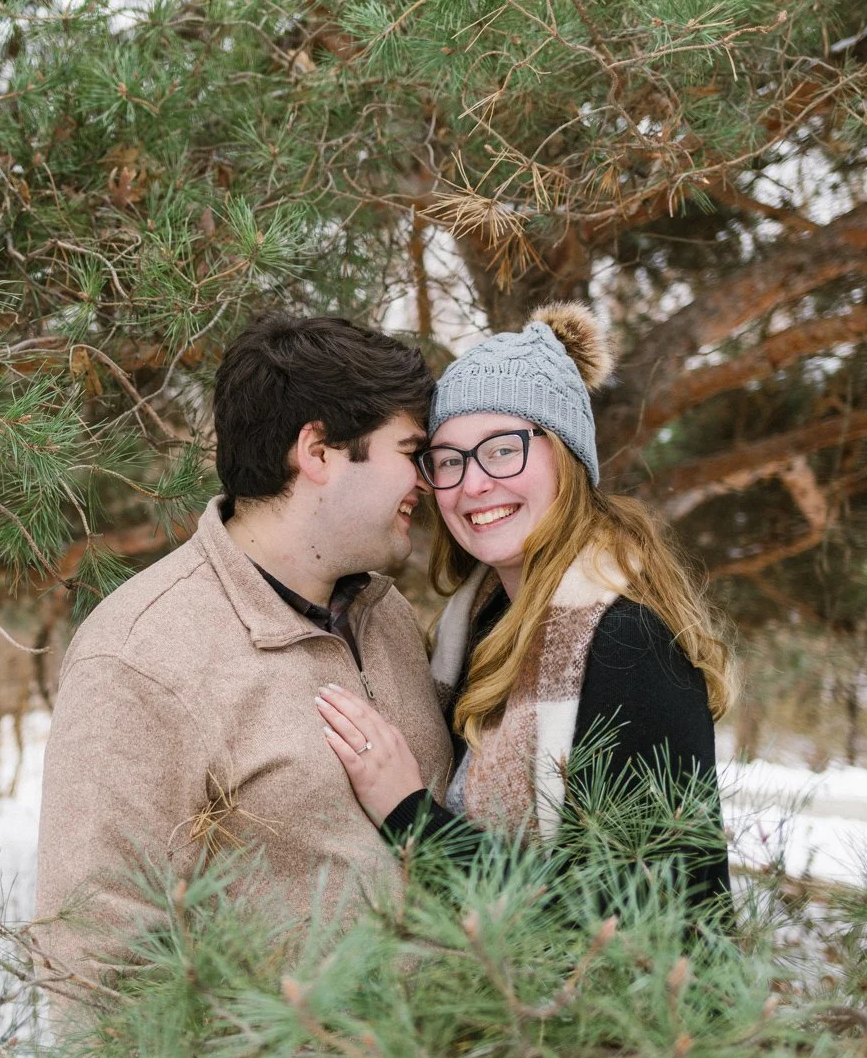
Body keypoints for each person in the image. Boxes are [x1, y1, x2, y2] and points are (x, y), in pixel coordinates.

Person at [33, 313, 455, 998]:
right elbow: (95, 958)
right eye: (410, 452)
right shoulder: (140, 656)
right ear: (318, 452)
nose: (427, 482)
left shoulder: (387, 616)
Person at [315, 303, 735, 915]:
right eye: (449, 460)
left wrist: (410, 816)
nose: (473, 484)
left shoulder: (627, 644)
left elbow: (636, 920)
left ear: (566, 455)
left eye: (502, 449)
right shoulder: (480, 629)